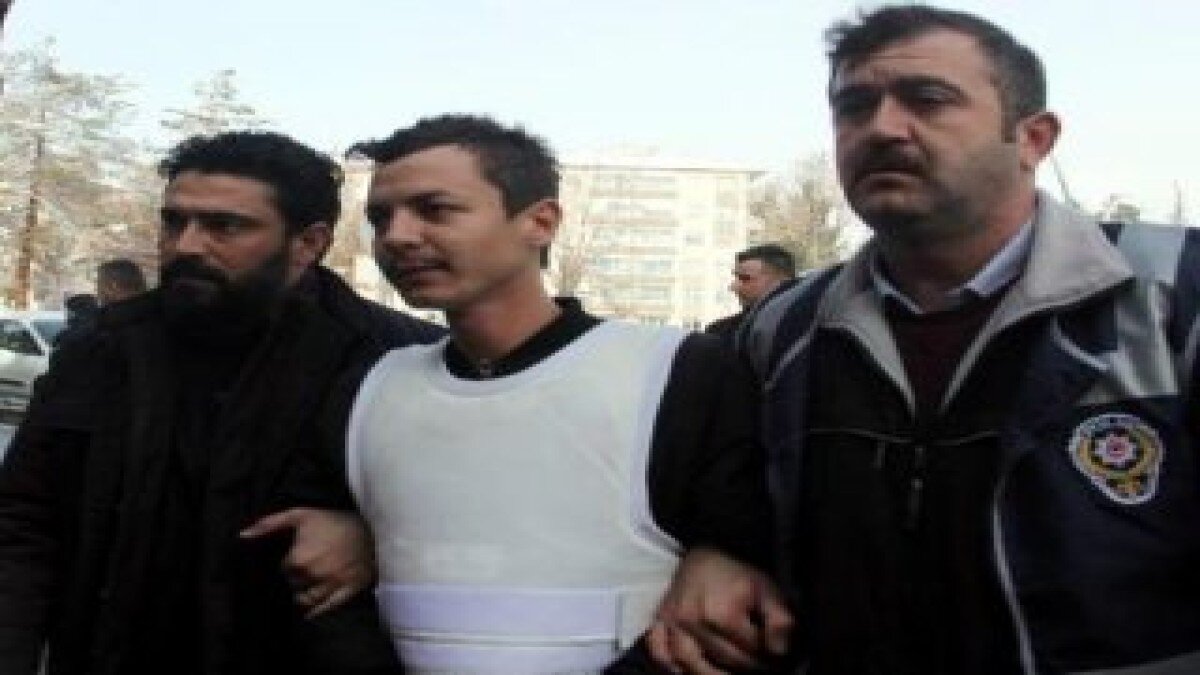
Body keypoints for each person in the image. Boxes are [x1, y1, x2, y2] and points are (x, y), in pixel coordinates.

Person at [726, 4, 1200, 673]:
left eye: (927, 99)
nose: (882, 128)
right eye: (854, 107)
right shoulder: (783, 330)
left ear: (1034, 138)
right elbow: (731, 515)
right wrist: (716, 553)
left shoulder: (1174, 296)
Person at [342, 114, 789, 674]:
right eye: (380, 218)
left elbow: (739, 593)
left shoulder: (682, 371)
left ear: (541, 222)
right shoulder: (369, 385)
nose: (397, 237)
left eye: (435, 210)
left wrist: (723, 555)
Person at [0, 130, 441, 675]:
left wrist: (376, 538)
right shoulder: (103, 350)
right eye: (174, 221)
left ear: (308, 243)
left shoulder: (396, 360)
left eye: (224, 226)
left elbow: (480, 526)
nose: (186, 245)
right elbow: (23, 524)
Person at [705, 244, 795, 343]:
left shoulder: (804, 329)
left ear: (782, 281)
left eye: (745, 278)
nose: (733, 287)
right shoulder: (720, 332)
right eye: (736, 278)